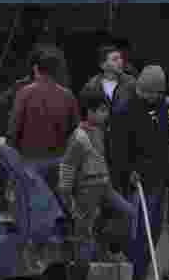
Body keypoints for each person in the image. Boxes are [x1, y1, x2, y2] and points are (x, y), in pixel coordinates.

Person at [109, 65, 169, 280]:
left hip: (159, 177)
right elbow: (116, 148)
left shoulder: (161, 108)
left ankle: (145, 270)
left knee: (153, 228)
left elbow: (166, 141)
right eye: (155, 93)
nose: (158, 97)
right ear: (146, 90)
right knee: (137, 231)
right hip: (138, 181)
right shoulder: (124, 110)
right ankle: (134, 277)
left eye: (159, 94)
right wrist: (127, 170)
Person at [57, 88, 135, 260]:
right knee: (85, 232)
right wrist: (66, 193)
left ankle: (106, 250)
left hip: (104, 186)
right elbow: (68, 165)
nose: (106, 115)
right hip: (86, 189)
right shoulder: (79, 137)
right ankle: (84, 272)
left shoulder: (99, 132)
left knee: (129, 212)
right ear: (89, 111)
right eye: (102, 110)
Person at [8, 48, 79, 161]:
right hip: (58, 158)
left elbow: (14, 128)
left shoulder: (24, 93)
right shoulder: (68, 95)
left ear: (36, 69)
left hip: (29, 159)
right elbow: (75, 132)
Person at [81, 45, 136, 112]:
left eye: (120, 58)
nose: (120, 61)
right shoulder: (92, 86)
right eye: (115, 59)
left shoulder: (131, 82)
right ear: (103, 65)